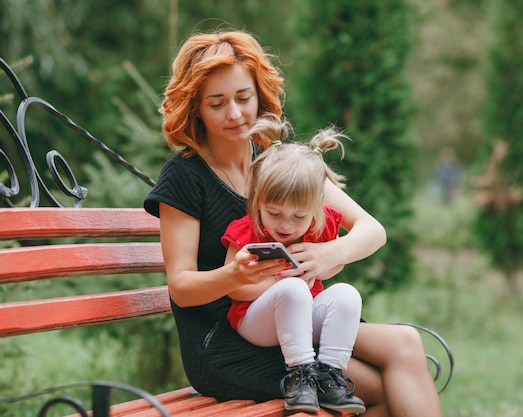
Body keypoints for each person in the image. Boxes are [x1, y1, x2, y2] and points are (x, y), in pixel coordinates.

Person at [144, 29, 444, 417]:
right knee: (378, 386)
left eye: (243, 98)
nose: (234, 114)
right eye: (217, 103)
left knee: (404, 343)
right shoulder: (185, 177)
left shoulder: (277, 163)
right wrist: (235, 275)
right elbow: (181, 287)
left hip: (296, 318)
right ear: (196, 108)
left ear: (259, 94)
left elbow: (373, 231)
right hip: (227, 343)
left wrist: (326, 253)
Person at [221, 117, 365, 413]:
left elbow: (333, 267)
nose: (285, 225)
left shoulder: (320, 227)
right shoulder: (248, 232)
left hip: (302, 317)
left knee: (348, 294)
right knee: (292, 289)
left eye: (299, 217)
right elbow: (235, 290)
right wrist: (278, 281)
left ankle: (329, 376)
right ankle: (301, 377)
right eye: (273, 213)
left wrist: (320, 266)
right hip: (255, 321)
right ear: (257, 201)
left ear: (316, 207)